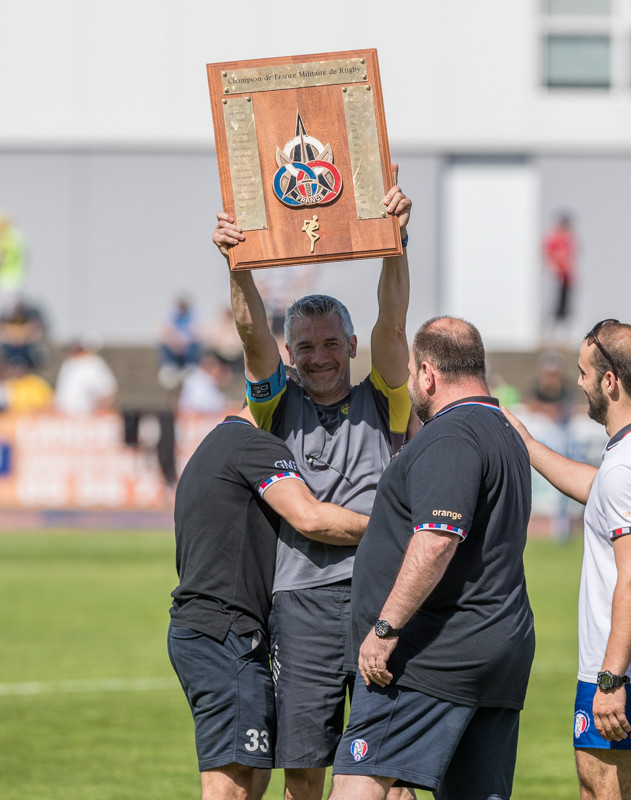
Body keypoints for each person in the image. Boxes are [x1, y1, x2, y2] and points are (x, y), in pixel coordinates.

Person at [212, 163, 413, 800]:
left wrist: (395, 244)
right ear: (291, 353)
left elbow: (393, 321)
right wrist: (238, 266)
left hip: (382, 594)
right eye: (306, 346)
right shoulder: (274, 408)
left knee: (391, 760)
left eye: (331, 343)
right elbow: (250, 335)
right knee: (304, 763)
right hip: (300, 603)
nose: (319, 356)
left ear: (351, 345)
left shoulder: (386, 399)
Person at [328, 317, 536, 800]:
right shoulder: (504, 430)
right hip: (496, 646)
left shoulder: (451, 434)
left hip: (432, 655)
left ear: (427, 373)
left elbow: (438, 538)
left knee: (357, 784)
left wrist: (384, 630)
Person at [506, 319, 631, 800]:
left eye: (583, 372)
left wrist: (610, 678)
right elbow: (602, 492)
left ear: (610, 380)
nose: (578, 383)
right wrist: (531, 447)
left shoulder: (629, 465)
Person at [169, 411, 371, 800]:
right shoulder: (253, 443)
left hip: (209, 629)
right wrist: (389, 529)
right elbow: (310, 518)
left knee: (252, 775)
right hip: (225, 632)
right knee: (236, 785)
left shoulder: (214, 443)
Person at [54, 335, 117, 414]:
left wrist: (98, 413)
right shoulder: (69, 362)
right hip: (64, 417)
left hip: (85, 415)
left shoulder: (94, 363)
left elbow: (107, 392)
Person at [543, 211, 578, 336]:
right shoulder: (554, 238)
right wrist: (554, 269)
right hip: (556, 277)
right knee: (553, 306)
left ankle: (564, 335)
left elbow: (571, 258)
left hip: (567, 278)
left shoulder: (569, 239)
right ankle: (548, 333)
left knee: (566, 307)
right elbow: (548, 255)